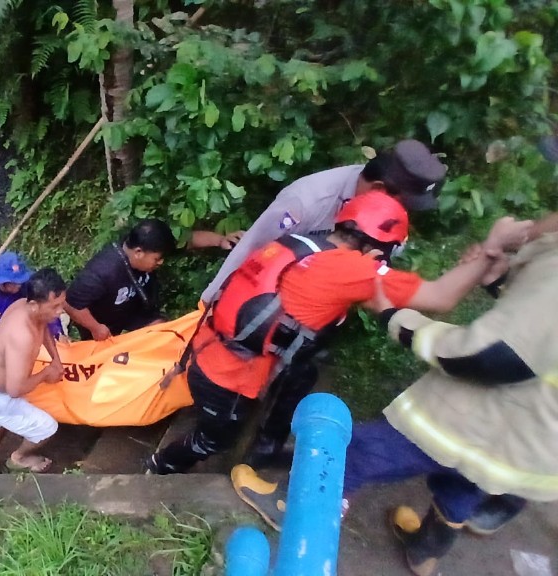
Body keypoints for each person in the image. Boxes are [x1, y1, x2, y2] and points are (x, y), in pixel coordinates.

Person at [231, 217, 549, 576]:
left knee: (356, 452)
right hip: (532, 443)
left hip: (487, 418)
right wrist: (500, 280)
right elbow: (539, 330)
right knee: (468, 482)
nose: (540, 222)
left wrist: (396, 321)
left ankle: (288, 505)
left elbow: (487, 354)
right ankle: (426, 550)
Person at [145, 192, 516, 476]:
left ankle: (265, 448)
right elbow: (440, 296)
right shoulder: (353, 271)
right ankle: (160, 466)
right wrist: (489, 252)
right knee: (215, 438)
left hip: (211, 346)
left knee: (303, 371)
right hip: (227, 376)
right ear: (377, 248)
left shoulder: (299, 244)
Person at [199, 139, 447, 304]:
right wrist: (209, 304)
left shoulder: (386, 210)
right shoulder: (306, 201)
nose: (404, 214)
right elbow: (252, 249)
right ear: (379, 189)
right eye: (403, 205)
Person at [0, 268, 67, 474]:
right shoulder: (22, 336)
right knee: (47, 427)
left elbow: (45, 327)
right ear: (34, 304)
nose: (60, 312)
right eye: (55, 306)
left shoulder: (23, 306)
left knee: (0, 419)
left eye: (61, 304)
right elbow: (15, 389)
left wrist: (56, 359)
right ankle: (19, 458)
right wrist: (47, 373)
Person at [64, 218, 176, 341]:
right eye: (157, 259)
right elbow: (70, 303)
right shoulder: (102, 271)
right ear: (138, 252)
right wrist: (95, 327)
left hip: (131, 311)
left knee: (163, 333)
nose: (161, 262)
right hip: (103, 323)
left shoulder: (138, 254)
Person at [0, 251, 63, 354]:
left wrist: (58, 332)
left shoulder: (26, 287)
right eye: (14, 283)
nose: (19, 285)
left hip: (23, 339)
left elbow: (47, 309)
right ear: (2, 282)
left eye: (20, 281)